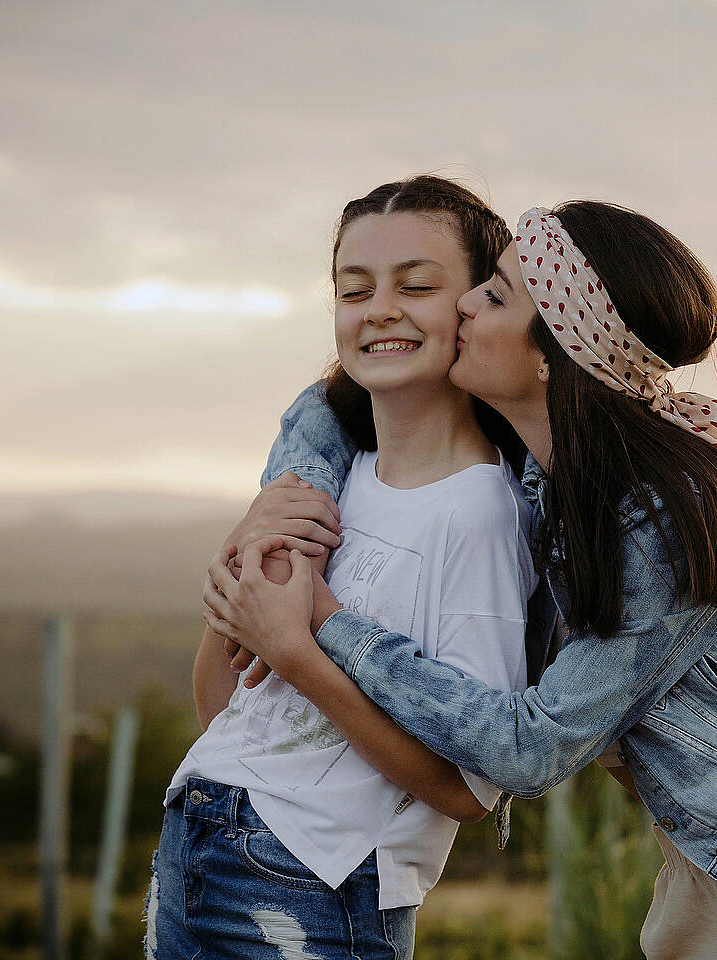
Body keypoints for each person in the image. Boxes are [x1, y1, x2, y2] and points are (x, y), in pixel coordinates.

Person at [207, 201, 717, 958]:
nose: (466, 304)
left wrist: (325, 623)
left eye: (495, 293)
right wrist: (293, 507)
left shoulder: (656, 523)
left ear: (552, 353)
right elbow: (326, 403)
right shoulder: (549, 477)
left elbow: (529, 747)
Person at [151, 176, 537, 960]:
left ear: (474, 306)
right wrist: (241, 565)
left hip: (316, 887)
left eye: (417, 285)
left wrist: (298, 649)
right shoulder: (326, 488)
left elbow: (468, 786)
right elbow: (224, 708)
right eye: (354, 289)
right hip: (194, 846)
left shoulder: (479, 515)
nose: (380, 309)